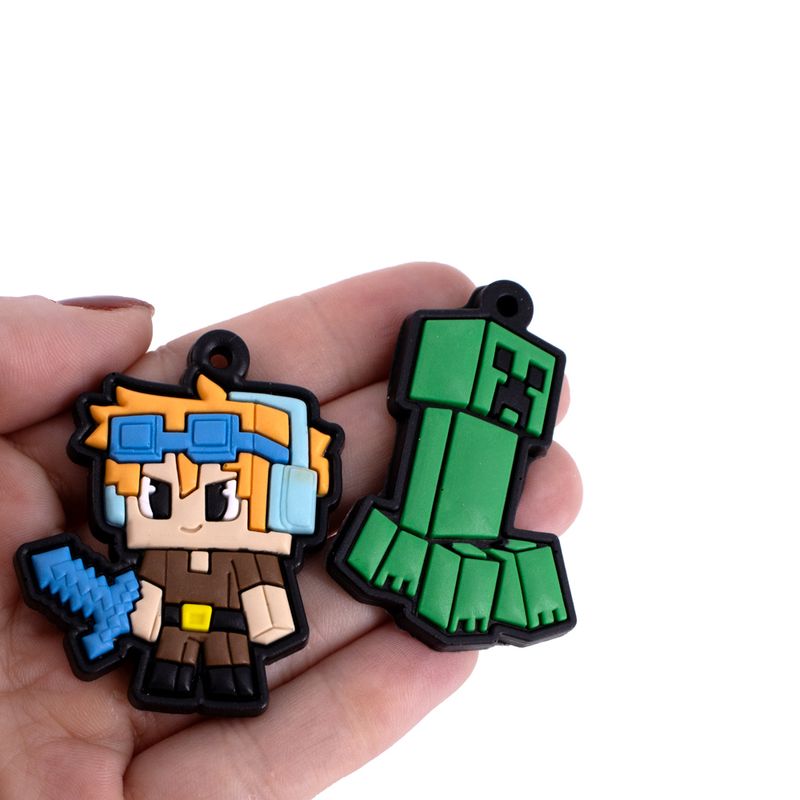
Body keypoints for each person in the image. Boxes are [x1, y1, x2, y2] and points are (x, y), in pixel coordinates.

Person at [0, 263, 581, 798]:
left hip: (231, 637)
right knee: (169, 669)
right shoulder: (157, 559)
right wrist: (128, 618)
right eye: (156, 495)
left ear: (284, 500)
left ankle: (224, 680)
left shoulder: (250, 557)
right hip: (170, 635)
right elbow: (145, 598)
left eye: (222, 497)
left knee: (230, 672)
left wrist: (266, 619)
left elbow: (271, 611)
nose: (192, 512)